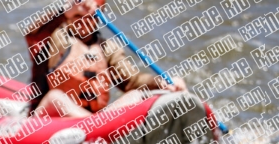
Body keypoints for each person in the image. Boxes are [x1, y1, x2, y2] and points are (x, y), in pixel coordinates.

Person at [24, 0, 188, 118]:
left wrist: (163, 83)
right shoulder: (55, 38)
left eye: (89, 18)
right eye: (77, 16)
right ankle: (91, 125)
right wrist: (65, 11)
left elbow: (132, 82)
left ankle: (94, 127)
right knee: (56, 98)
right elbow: (33, 34)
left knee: (135, 96)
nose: (83, 22)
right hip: (50, 119)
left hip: (93, 122)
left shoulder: (108, 48)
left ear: (99, 17)